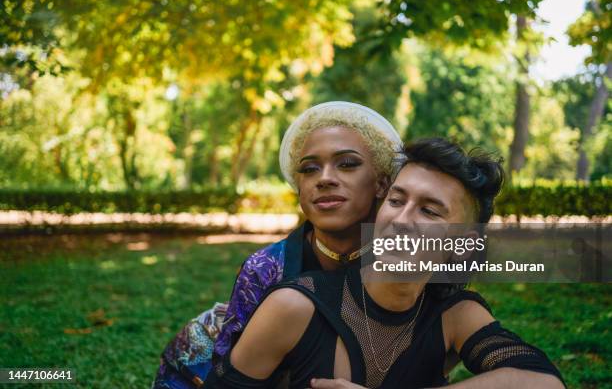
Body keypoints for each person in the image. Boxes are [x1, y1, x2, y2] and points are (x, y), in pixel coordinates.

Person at [206, 138, 565, 389]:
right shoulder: (295, 306)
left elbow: (543, 382)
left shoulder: (454, 316)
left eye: (429, 210)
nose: (402, 219)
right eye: (396, 200)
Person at [153, 101, 403, 388]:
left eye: (347, 164)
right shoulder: (265, 269)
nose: (324, 179)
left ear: (382, 184)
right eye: (309, 169)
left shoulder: (409, 258)